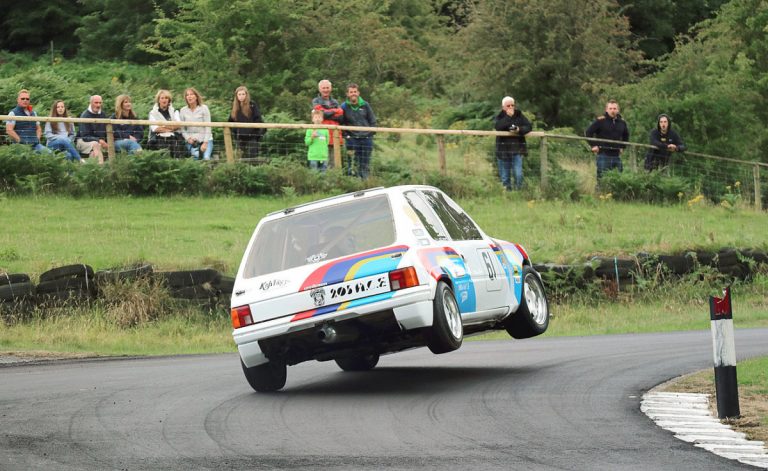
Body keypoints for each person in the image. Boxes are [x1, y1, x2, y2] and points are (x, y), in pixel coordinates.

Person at [493, 96, 532, 190]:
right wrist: (508, 117)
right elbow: (498, 126)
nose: (511, 107)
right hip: (503, 151)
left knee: (518, 174)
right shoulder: (499, 116)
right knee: (505, 177)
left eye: (512, 105)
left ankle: (519, 192)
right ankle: (508, 195)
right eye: (508, 105)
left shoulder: (519, 114)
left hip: (517, 150)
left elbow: (529, 126)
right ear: (503, 107)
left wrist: (519, 129)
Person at [585, 99, 630, 180]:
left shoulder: (622, 122)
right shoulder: (601, 121)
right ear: (606, 109)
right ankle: (600, 192)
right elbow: (588, 132)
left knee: (619, 179)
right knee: (602, 179)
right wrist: (593, 145)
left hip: (616, 155)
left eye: (614, 108)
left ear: (618, 110)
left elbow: (626, 135)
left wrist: (622, 147)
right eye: (610, 108)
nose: (612, 110)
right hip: (603, 154)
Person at [6, 89, 51, 154]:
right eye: (23, 98)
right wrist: (19, 140)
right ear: (18, 100)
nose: (25, 100)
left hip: (36, 145)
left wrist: (37, 139)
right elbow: (9, 130)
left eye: (27, 99)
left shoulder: (34, 113)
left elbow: (38, 128)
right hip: (21, 146)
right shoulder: (13, 113)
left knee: (50, 154)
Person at [311, 79, 344, 167]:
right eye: (323, 88)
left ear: (331, 88)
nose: (326, 90)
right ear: (319, 89)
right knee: (322, 162)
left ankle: (334, 179)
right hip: (321, 135)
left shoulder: (335, 101)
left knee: (334, 162)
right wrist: (334, 111)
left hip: (335, 135)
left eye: (327, 87)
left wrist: (326, 112)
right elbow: (320, 114)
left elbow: (341, 116)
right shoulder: (316, 101)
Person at [229, 86, 265, 160]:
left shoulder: (252, 105)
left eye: (243, 94)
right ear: (236, 96)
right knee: (240, 156)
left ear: (246, 95)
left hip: (252, 136)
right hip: (240, 137)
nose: (241, 96)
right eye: (239, 94)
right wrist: (236, 131)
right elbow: (230, 121)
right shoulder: (235, 107)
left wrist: (255, 132)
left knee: (252, 156)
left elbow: (258, 119)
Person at [147, 89, 185, 158]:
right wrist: (172, 127)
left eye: (166, 98)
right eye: (162, 98)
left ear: (169, 100)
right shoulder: (152, 113)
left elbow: (178, 125)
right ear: (159, 100)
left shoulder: (175, 111)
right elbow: (155, 128)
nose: (164, 100)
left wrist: (163, 126)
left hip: (173, 138)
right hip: (158, 138)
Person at [179, 87, 214, 160]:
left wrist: (205, 142)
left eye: (191, 94)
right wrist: (188, 138)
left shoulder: (204, 108)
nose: (189, 96)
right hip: (192, 141)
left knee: (206, 158)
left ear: (196, 97)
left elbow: (208, 126)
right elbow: (182, 128)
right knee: (194, 160)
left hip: (205, 139)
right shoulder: (183, 110)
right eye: (187, 95)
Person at [76, 95, 109, 164]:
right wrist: (99, 140)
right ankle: (101, 166)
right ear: (90, 103)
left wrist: (105, 142)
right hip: (83, 141)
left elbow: (106, 132)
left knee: (94, 153)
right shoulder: (85, 116)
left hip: (98, 143)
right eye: (96, 103)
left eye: (100, 103)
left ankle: (94, 171)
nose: (98, 105)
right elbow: (85, 136)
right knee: (95, 144)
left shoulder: (103, 115)